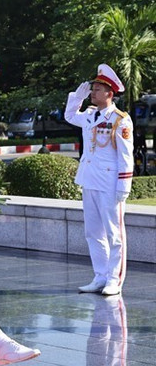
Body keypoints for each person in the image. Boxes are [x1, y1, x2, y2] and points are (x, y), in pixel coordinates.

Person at [65, 64, 134, 297]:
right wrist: (77, 97)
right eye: (92, 89)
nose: (92, 93)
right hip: (90, 180)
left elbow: (125, 156)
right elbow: (69, 116)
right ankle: (100, 276)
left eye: (96, 89)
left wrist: (124, 186)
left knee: (114, 234)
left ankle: (115, 279)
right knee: (93, 232)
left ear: (109, 93)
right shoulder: (89, 115)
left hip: (109, 183)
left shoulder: (120, 120)